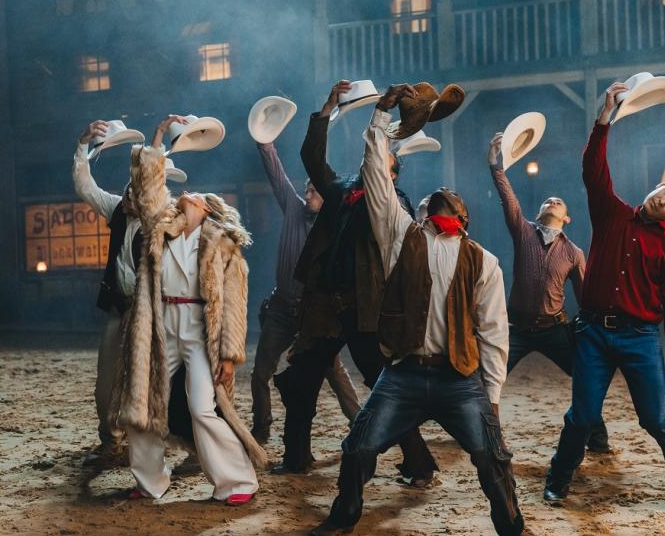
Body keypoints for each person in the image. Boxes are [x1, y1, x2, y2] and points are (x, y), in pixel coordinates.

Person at [304, 85, 545, 536]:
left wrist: (492, 395)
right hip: (404, 374)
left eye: (451, 197)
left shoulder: (484, 261)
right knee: (359, 446)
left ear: (464, 216)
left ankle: (513, 529)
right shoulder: (401, 237)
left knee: (492, 455)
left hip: (459, 377)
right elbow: (376, 178)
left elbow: (494, 333)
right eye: (436, 196)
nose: (443, 195)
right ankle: (343, 517)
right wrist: (380, 116)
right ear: (421, 211)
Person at [543, 82, 665, 515]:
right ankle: (558, 480)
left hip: (639, 338)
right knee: (581, 415)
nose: (663, 199)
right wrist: (604, 117)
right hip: (593, 333)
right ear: (660, 186)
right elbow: (593, 168)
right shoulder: (611, 212)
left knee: (657, 419)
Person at [273, 80, 437, 482]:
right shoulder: (341, 188)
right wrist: (327, 107)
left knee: (384, 385)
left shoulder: (395, 202)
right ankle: (296, 458)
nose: (372, 163)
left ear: (390, 174)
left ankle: (418, 462)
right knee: (301, 382)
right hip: (324, 305)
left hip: (367, 307)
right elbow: (311, 158)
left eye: (381, 162)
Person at [108, 117, 265, 504]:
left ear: (207, 209)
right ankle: (149, 482)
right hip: (160, 329)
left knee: (202, 408)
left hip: (199, 333)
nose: (186, 193)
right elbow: (147, 191)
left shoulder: (223, 245)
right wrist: (159, 138)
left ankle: (236, 483)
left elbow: (234, 305)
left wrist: (229, 356)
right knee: (143, 406)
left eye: (195, 194)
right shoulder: (161, 228)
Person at [486, 134, 608, 452]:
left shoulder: (574, 252)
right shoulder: (523, 230)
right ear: (538, 214)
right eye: (547, 201)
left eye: (558, 202)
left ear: (566, 218)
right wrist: (496, 166)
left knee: (585, 378)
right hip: (517, 330)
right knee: (488, 378)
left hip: (555, 328)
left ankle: (598, 437)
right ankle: (481, 434)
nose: (552, 201)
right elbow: (508, 199)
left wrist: (589, 332)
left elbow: (585, 297)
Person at [250, 139, 360, 444]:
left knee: (334, 371)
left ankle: (360, 423)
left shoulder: (336, 226)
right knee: (261, 371)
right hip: (281, 309)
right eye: (307, 190)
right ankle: (261, 428)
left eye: (314, 192)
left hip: (314, 316)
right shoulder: (294, 211)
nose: (308, 195)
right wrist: (266, 146)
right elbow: (278, 177)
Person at [72, 119, 144, 469]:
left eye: (135, 191)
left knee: (150, 382)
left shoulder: (162, 220)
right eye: (128, 190)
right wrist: (83, 144)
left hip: (151, 313)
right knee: (106, 383)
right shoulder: (117, 208)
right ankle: (111, 441)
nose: (128, 195)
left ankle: (149, 445)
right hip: (119, 308)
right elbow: (85, 186)